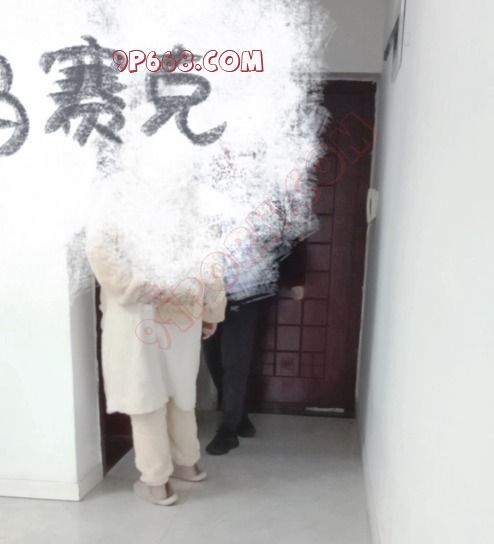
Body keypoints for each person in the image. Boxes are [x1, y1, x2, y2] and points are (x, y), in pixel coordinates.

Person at [86, 226, 226, 506]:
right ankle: (188, 464)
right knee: (180, 389)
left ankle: (157, 483)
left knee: (145, 394)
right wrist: (211, 310)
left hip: (138, 313)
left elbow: (99, 249)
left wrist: (135, 287)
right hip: (182, 308)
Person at [202, 240, 306, 455]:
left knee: (235, 360)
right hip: (209, 292)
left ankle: (228, 430)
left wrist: (295, 278)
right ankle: (239, 415)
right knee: (213, 358)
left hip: (247, 290)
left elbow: (288, 234)